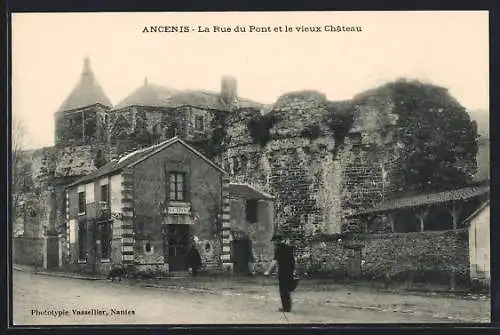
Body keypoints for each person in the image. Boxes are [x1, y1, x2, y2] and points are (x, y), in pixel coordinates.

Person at [264, 234, 295, 313]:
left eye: (274, 241)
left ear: (277, 240)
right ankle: (288, 307)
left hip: (283, 272)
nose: (273, 243)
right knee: (287, 290)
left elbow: (274, 262)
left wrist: (268, 271)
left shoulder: (279, 249)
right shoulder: (289, 248)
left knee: (283, 290)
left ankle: (286, 308)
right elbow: (293, 261)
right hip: (290, 271)